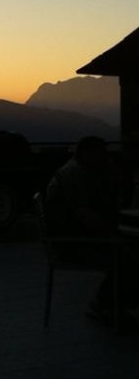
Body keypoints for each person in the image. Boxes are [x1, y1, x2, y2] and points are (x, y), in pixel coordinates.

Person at [45, 136, 138, 324]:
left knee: (129, 252)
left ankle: (116, 304)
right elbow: (85, 215)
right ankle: (106, 304)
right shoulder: (74, 176)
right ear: (88, 153)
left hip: (73, 239)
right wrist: (111, 235)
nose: (105, 158)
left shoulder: (75, 172)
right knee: (127, 256)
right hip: (71, 245)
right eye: (101, 154)